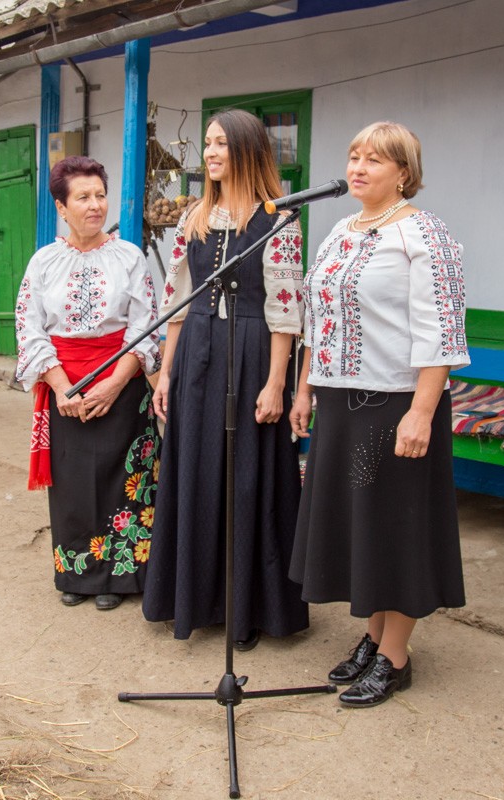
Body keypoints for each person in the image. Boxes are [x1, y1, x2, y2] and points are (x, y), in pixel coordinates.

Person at [289, 121, 469, 706]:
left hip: (394, 404)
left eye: (376, 159)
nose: (359, 167)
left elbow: (443, 331)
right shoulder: (341, 229)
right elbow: (316, 320)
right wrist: (304, 389)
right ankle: (373, 637)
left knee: (393, 527)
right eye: (354, 156)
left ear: (404, 173)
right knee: (359, 527)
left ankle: (396, 655)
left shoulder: (424, 233)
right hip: (339, 404)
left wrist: (422, 410)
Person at [143, 109, 309, 647]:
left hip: (252, 352)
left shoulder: (277, 218)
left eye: (221, 144)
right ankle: (195, 597)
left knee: (245, 475)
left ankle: (248, 608)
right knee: (195, 468)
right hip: (195, 351)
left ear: (246, 150)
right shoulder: (194, 215)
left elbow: (286, 308)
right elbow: (176, 301)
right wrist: (164, 373)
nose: (211, 153)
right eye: (208, 144)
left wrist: (276, 382)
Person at [15, 155, 160, 612]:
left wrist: (114, 384)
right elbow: (30, 328)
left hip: (123, 385)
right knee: (74, 482)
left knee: (123, 479)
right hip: (66, 387)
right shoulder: (44, 263)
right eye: (83, 197)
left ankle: (117, 578)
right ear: (61, 205)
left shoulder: (128, 257)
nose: (95, 205)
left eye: (100, 195)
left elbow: (145, 326)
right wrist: (61, 387)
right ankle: (76, 574)